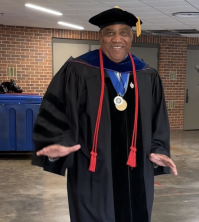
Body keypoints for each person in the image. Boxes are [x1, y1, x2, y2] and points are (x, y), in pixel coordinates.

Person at [32, 6, 178, 222]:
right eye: (110, 32)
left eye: (124, 33)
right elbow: (55, 112)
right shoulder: (78, 70)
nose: (117, 39)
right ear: (100, 36)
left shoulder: (147, 75)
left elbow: (158, 121)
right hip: (93, 172)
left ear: (132, 36)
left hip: (137, 171)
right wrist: (56, 144)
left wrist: (158, 150)